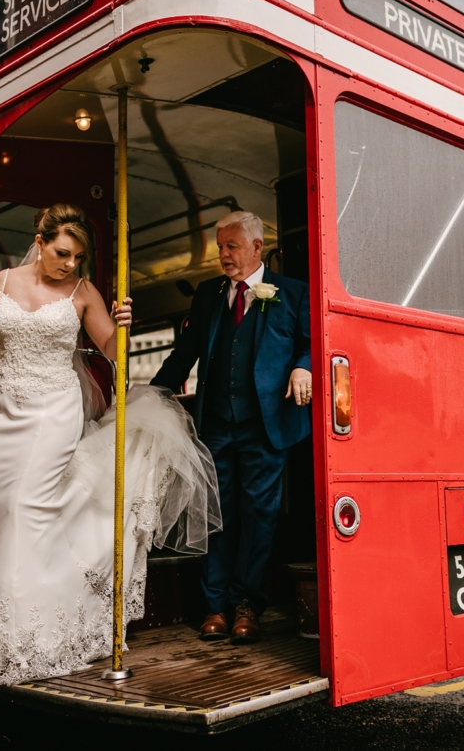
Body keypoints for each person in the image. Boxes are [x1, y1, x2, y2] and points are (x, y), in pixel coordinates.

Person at [0, 203, 220, 686]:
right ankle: (20, 637)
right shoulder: (1, 282)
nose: (70, 264)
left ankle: (27, 643)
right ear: (40, 243)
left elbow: (111, 352)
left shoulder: (83, 293)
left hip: (53, 412)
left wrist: (123, 327)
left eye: (78, 257)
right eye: (63, 253)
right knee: (3, 518)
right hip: (1, 412)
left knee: (27, 510)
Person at [151, 211, 312, 644]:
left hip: (266, 427)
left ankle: (247, 605)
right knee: (215, 517)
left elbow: (313, 343)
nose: (223, 254)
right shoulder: (207, 295)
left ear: (257, 248)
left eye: (231, 246)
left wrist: (303, 368)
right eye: (220, 246)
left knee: (259, 518)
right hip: (216, 427)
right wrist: (150, 395)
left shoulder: (294, 293)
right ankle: (215, 607)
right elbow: (184, 353)